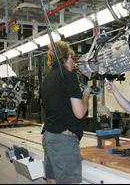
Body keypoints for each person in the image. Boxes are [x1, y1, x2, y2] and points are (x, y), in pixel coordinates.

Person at [41, 41, 91, 184]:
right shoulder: (68, 76)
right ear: (69, 56)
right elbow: (80, 113)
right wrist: (86, 95)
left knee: (51, 180)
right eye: (74, 59)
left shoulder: (47, 78)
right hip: (63, 140)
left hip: (48, 136)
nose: (74, 63)